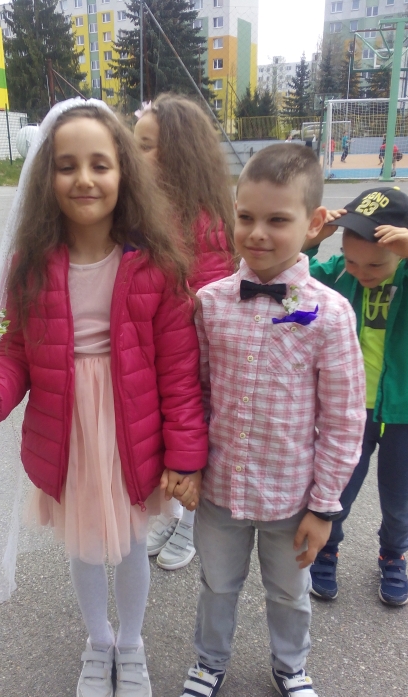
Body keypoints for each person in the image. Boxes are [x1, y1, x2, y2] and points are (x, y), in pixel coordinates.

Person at [0, 98, 208, 697]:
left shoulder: (156, 263)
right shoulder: (32, 265)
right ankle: (99, 641)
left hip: (131, 427)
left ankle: (132, 643)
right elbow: (16, 350)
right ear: (47, 178)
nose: (84, 179)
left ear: (124, 171)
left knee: (132, 542)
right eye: (66, 166)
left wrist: (185, 458)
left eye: (100, 164)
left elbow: (179, 373)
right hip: (68, 427)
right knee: (85, 545)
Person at [175, 144, 366, 697]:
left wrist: (324, 506)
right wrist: (187, 464)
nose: (257, 233)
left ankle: (291, 668)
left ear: (313, 223)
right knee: (217, 584)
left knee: (289, 591)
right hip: (221, 491)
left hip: (292, 496)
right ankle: (209, 663)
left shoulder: (330, 314)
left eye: (278, 219)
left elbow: (343, 419)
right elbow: (196, 392)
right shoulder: (209, 304)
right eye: (246, 216)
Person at [303, 187, 408, 607]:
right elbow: (297, 282)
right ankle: (327, 549)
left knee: (400, 497)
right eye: (352, 260)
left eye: (375, 264)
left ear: (403, 250)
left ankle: (393, 554)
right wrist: (312, 241)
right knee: (337, 487)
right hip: (351, 410)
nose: (361, 272)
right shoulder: (343, 271)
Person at [134, 94, 235, 571]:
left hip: (195, 354)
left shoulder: (205, 220)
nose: (135, 156)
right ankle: (170, 512)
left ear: (178, 153)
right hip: (159, 348)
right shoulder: (145, 211)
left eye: (146, 146)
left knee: (194, 435)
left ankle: (191, 521)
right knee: (164, 433)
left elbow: (208, 298)